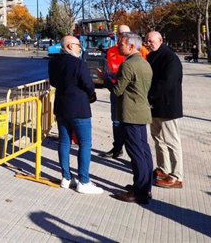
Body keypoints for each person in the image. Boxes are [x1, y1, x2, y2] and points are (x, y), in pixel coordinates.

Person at [48, 35, 103, 194]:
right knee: (85, 143)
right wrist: (91, 94)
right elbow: (88, 85)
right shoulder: (79, 64)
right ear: (70, 46)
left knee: (64, 142)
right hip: (79, 108)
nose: (80, 48)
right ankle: (84, 181)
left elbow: (53, 82)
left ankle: (66, 177)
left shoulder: (54, 62)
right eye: (78, 45)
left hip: (61, 107)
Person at [107, 32, 154, 204]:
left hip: (131, 114)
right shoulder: (144, 63)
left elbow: (117, 91)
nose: (118, 46)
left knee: (136, 154)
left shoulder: (128, 65)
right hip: (141, 112)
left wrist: (106, 79)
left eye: (121, 44)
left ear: (132, 46)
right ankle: (145, 186)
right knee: (144, 151)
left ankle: (139, 192)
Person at [145, 31, 184, 189]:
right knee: (158, 139)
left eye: (151, 41)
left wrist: (149, 95)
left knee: (172, 141)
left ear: (161, 40)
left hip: (167, 107)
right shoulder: (151, 56)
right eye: (147, 41)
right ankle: (164, 168)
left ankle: (177, 175)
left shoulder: (170, 58)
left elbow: (166, 83)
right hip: (154, 106)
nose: (148, 43)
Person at [100, 24, 131, 159]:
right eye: (120, 33)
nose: (122, 36)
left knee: (131, 123)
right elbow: (110, 69)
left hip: (131, 92)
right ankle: (117, 148)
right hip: (116, 90)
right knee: (116, 121)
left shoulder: (138, 50)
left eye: (125, 33)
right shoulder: (112, 51)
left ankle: (133, 152)